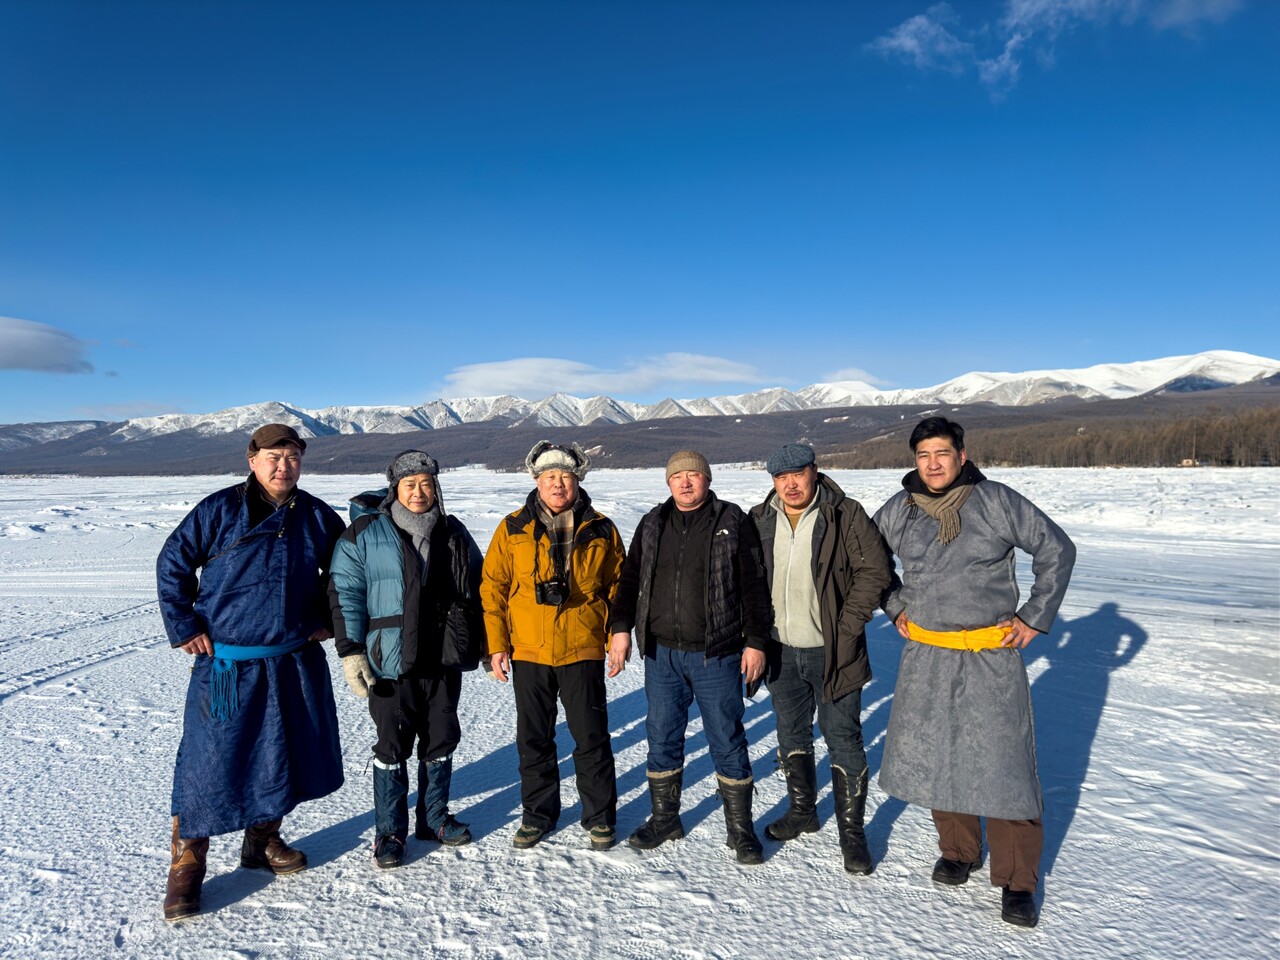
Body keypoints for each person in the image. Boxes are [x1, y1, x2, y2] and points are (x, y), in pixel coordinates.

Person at [873, 417, 1076, 928]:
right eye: (924, 455)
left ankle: (1018, 881)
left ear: (962, 455)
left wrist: (1034, 615)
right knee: (942, 756)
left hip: (990, 653)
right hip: (928, 654)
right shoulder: (899, 510)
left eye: (942, 453)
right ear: (915, 460)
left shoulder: (996, 501)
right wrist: (895, 606)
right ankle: (960, 852)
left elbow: (1056, 549)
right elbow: (869, 562)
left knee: (1005, 766)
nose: (933, 463)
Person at [155, 423, 346, 921]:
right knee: (209, 760)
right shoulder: (219, 510)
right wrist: (184, 624)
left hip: (292, 659)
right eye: (273, 457)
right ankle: (188, 867)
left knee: (285, 752)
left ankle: (261, 841)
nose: (284, 466)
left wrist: (327, 621)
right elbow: (173, 562)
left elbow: (345, 574)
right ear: (252, 460)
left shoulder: (316, 515)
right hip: (228, 665)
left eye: (293, 457)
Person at [609, 450, 773, 865]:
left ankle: (741, 830)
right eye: (678, 476)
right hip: (662, 654)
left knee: (727, 737)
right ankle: (665, 819)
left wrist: (756, 641)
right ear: (668, 483)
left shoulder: (732, 520)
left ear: (707, 480)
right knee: (662, 737)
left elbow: (755, 585)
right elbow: (630, 580)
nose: (685, 483)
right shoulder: (652, 523)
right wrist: (620, 629)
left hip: (715, 654)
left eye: (693, 476)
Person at [328, 450, 485, 869]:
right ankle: (389, 832)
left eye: (427, 484)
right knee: (393, 745)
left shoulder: (454, 532)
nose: (419, 492)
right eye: (410, 484)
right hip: (389, 661)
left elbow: (477, 591)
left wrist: (486, 646)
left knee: (440, 740)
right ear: (394, 489)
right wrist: (351, 651)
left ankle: (433, 820)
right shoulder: (364, 533)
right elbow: (345, 593)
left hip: (444, 658)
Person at [748, 443, 892, 874]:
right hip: (780, 650)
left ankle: (852, 833)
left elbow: (876, 571)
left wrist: (846, 627)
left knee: (842, 736)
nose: (790, 484)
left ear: (814, 472)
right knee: (791, 733)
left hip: (834, 652)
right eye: (781, 477)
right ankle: (803, 811)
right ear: (773, 480)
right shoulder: (760, 519)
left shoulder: (844, 513)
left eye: (798, 474)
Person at [481, 441, 626, 851]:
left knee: (591, 737)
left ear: (577, 480)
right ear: (536, 481)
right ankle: (538, 815)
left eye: (565, 476)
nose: (557, 484)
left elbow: (619, 587)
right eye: (549, 477)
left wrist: (618, 633)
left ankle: (599, 818)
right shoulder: (512, 528)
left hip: (581, 647)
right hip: (529, 650)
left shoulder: (601, 527)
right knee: (534, 739)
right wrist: (496, 645)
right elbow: (493, 589)